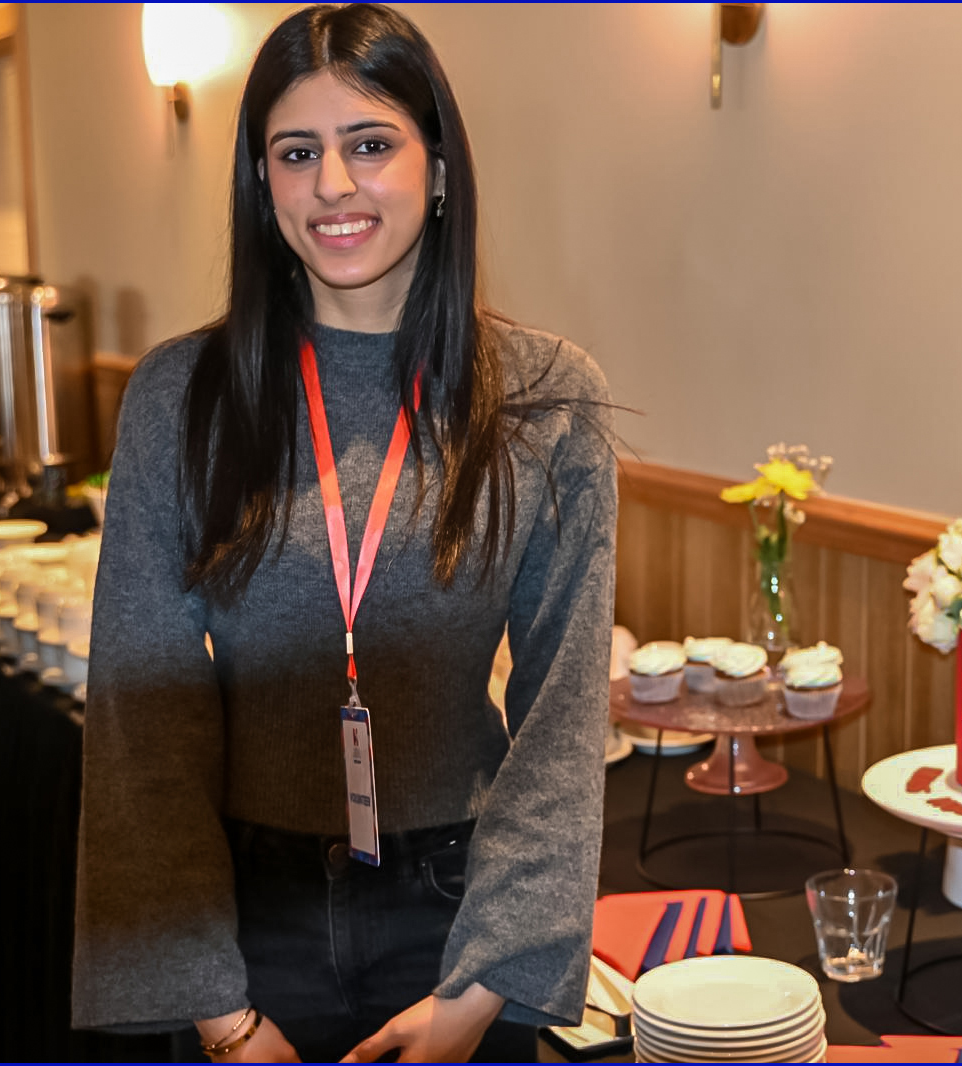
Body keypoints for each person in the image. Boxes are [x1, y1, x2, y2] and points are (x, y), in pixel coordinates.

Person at [71, 5, 617, 1062]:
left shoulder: (546, 401)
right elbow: (144, 729)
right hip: (244, 923)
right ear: (261, 182)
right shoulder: (182, 398)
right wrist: (222, 1019)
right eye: (296, 153)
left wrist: (481, 990)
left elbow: (561, 725)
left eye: (370, 144)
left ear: (438, 167)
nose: (332, 184)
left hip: (459, 918)